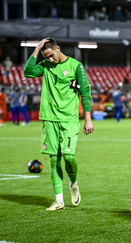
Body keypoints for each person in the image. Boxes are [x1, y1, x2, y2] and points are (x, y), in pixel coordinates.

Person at [23, 37, 94, 211]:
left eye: (52, 55)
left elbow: (85, 91)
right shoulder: (46, 66)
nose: (50, 59)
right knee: (54, 160)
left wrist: (88, 119)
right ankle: (59, 201)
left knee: (68, 157)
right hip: (49, 119)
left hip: (69, 119)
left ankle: (74, 183)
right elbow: (28, 71)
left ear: (58, 48)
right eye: (46, 57)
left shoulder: (76, 66)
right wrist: (37, 49)